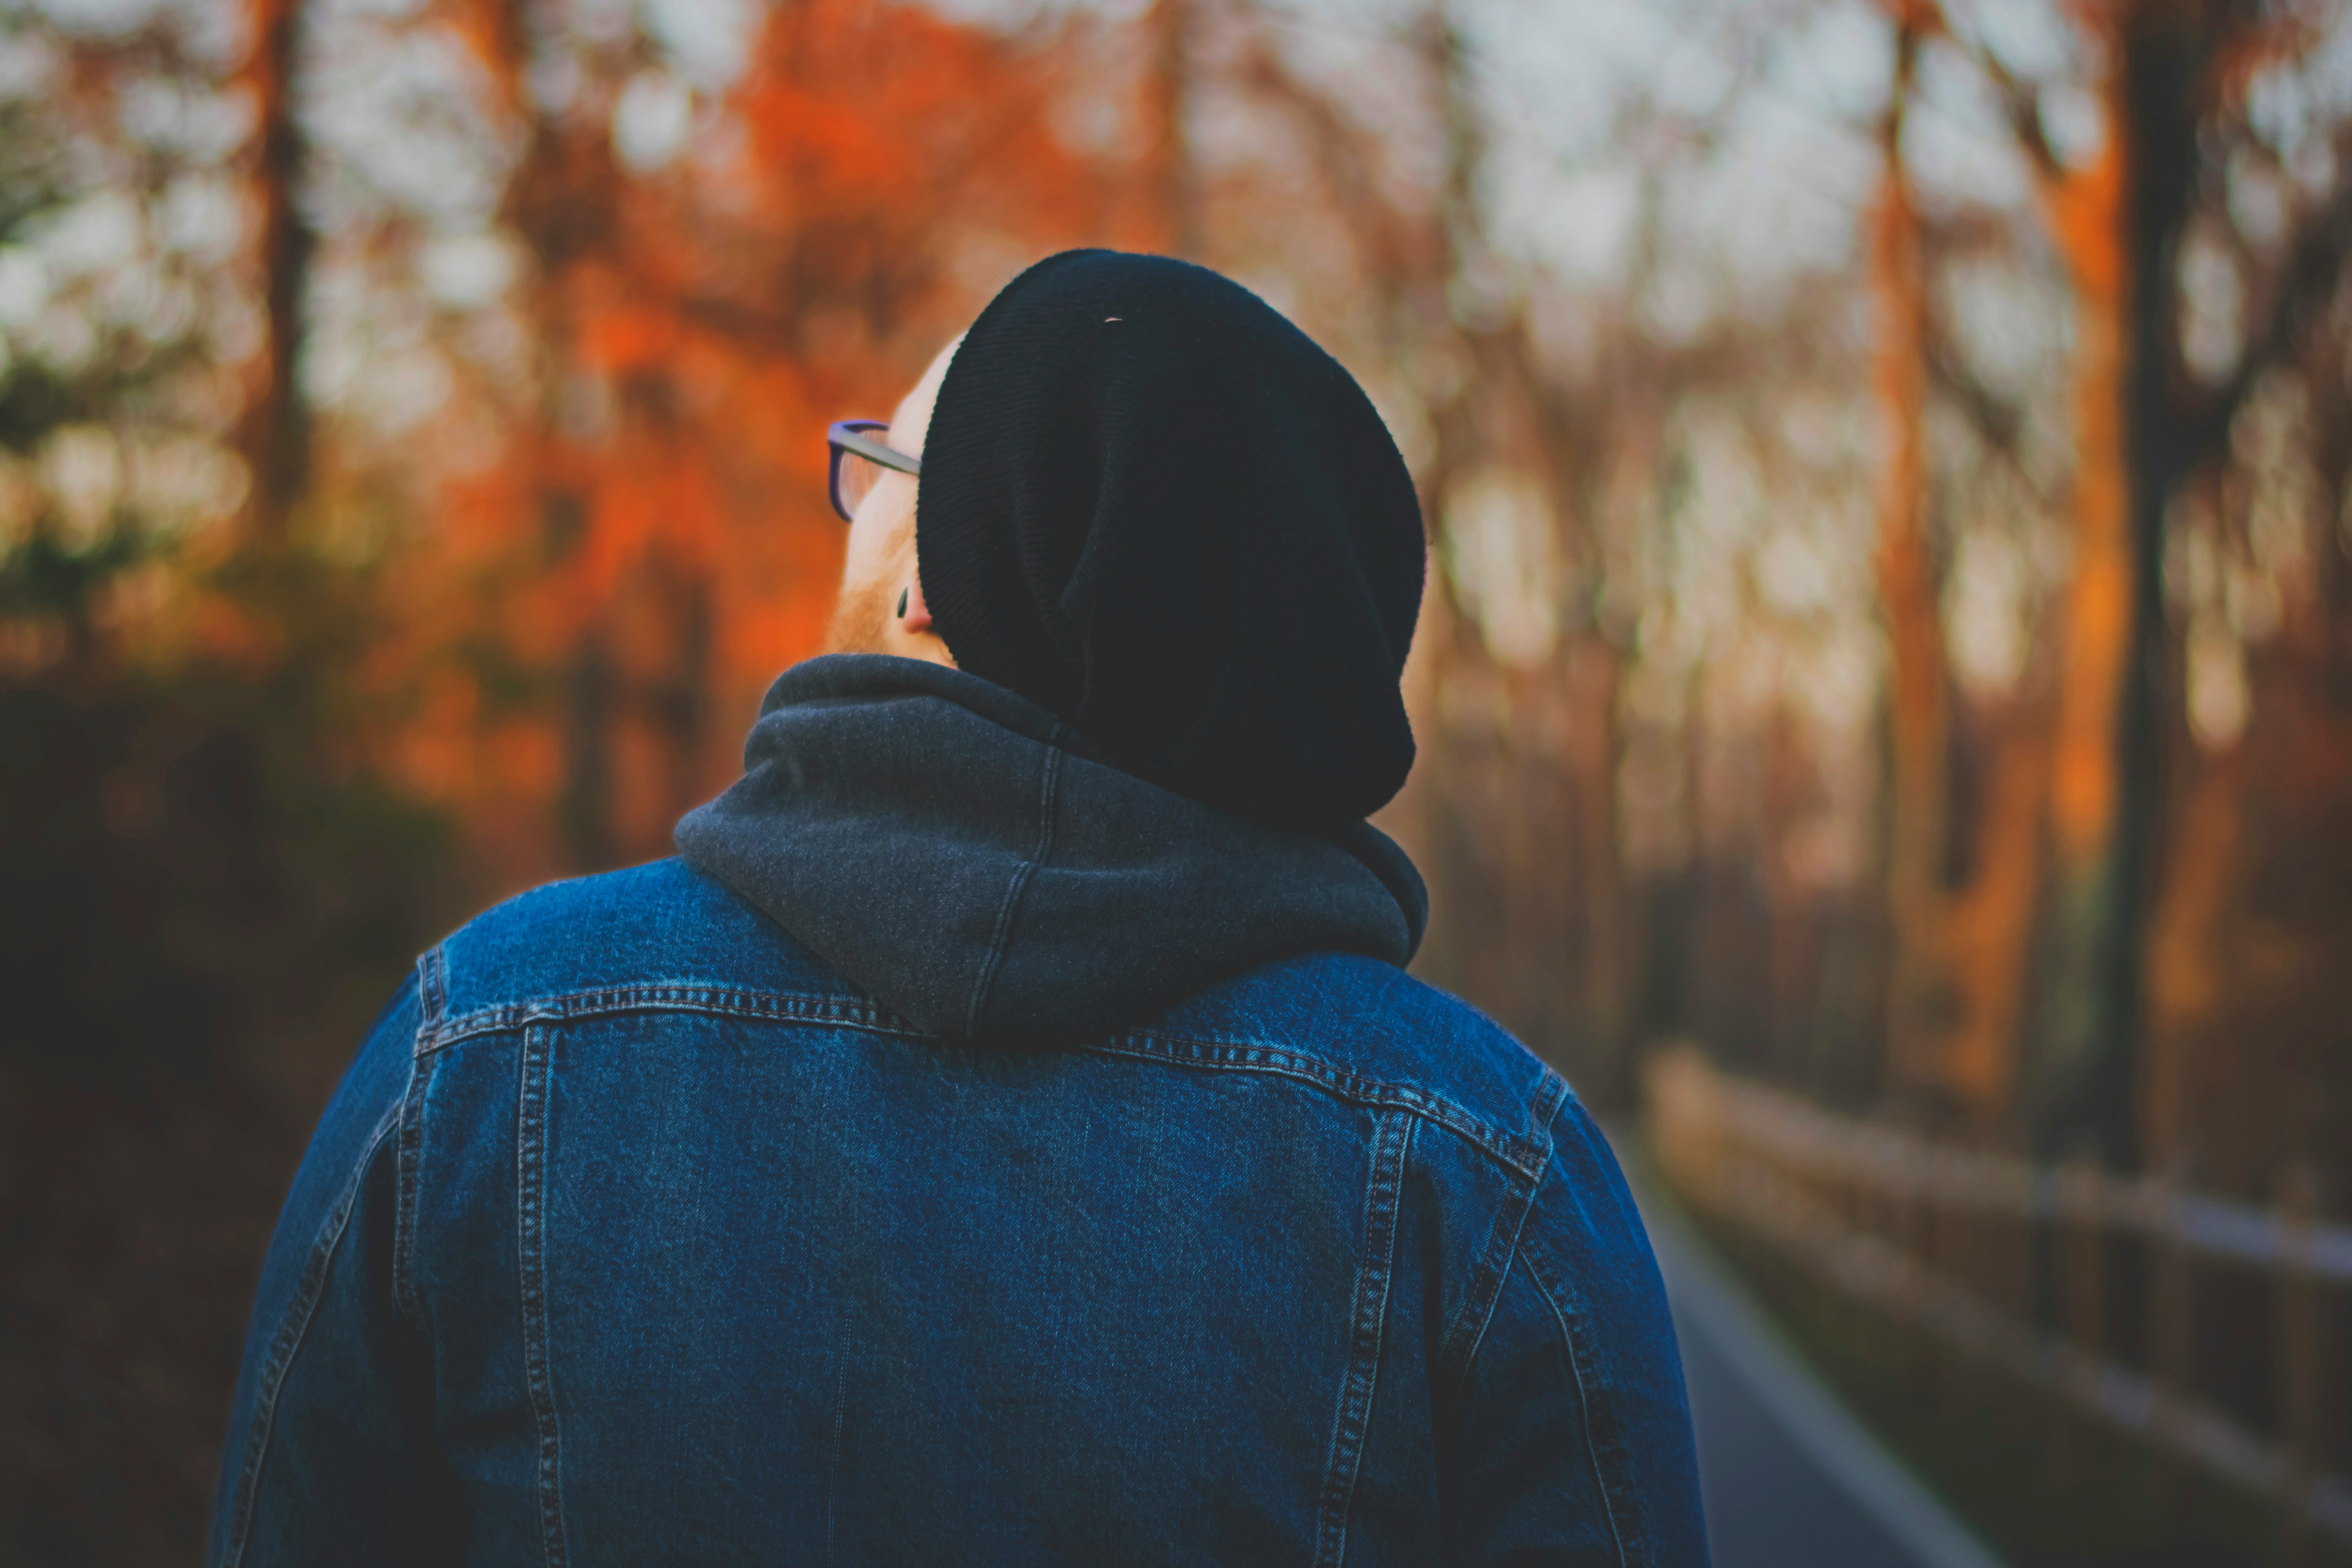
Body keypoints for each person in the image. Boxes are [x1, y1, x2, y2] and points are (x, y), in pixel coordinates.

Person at [209, 250, 1707, 1566]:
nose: (854, 500)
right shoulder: (1488, 1171)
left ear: (932, 577)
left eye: (886, 466)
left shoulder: (485, 1048)